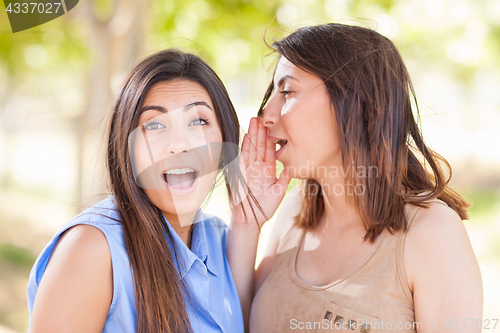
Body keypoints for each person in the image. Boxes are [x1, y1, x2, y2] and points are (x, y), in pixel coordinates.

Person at [228, 23, 483, 332]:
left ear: (354, 101)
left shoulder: (433, 234)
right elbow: (238, 325)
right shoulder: (294, 213)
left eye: (287, 91)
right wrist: (246, 224)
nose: (266, 114)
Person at [27, 49, 253, 333]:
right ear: (126, 148)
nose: (179, 145)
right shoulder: (93, 249)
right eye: (154, 125)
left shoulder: (218, 237)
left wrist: (249, 222)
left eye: (198, 121)